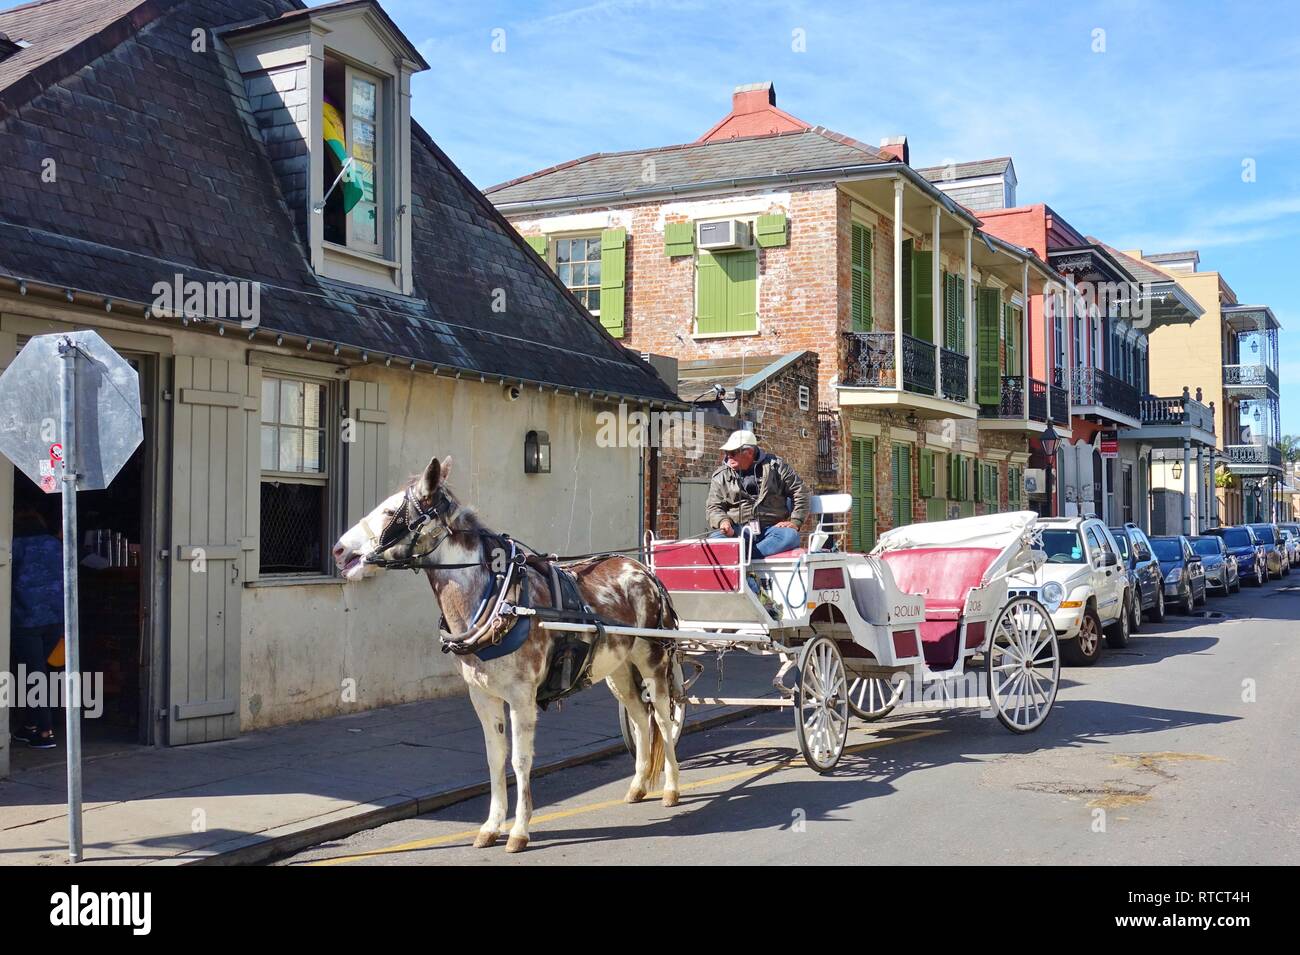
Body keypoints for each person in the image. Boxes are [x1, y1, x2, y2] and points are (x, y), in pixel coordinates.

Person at [705, 430, 809, 559]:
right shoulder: (721, 476)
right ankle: (751, 555)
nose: (728, 457)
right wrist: (723, 522)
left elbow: (800, 491)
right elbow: (713, 507)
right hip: (738, 530)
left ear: (749, 452)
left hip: (771, 530)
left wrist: (795, 521)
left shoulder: (776, 467)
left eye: (732, 453)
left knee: (790, 536)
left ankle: (746, 556)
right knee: (714, 541)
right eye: (726, 453)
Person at [9, 508, 64, 749]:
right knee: (36, 671)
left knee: (34, 674)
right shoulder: (55, 544)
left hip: (25, 619)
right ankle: (30, 726)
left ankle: (45, 732)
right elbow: (92, 562)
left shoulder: (16, 546)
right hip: (55, 618)